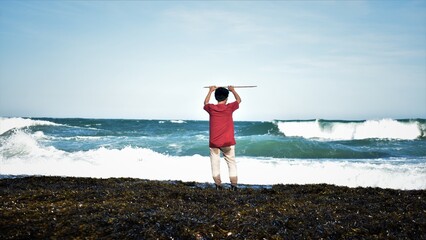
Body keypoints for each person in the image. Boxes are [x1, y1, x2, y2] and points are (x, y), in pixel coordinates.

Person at [203, 86, 241, 191]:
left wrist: (210, 91)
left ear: (216, 97)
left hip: (214, 142)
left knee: (215, 164)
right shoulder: (230, 107)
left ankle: (218, 186)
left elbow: (205, 103)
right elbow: (239, 100)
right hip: (228, 142)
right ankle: (234, 185)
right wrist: (233, 90)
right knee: (231, 163)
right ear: (226, 98)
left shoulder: (211, 108)